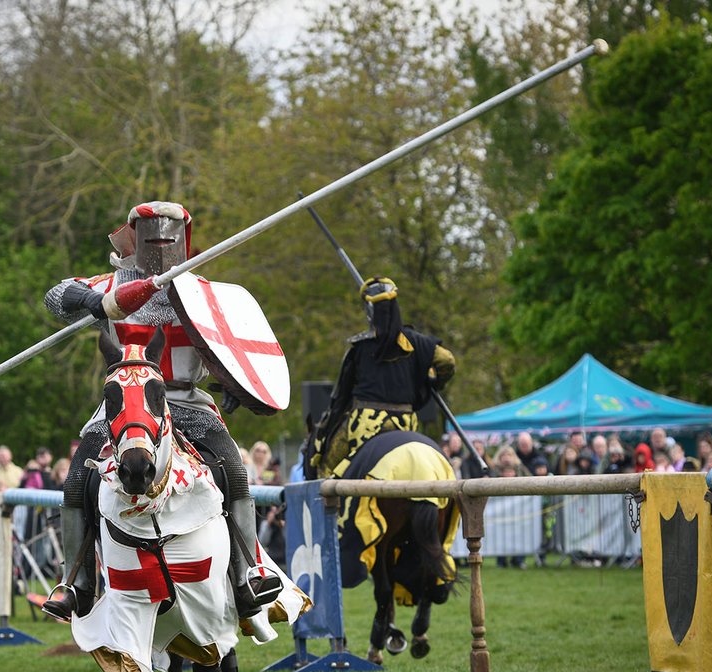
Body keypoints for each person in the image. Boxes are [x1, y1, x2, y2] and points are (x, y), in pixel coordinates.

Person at [40, 200, 281, 622]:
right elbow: (56, 296)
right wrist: (96, 302)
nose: (159, 245)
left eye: (167, 236)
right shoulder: (109, 285)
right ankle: (76, 582)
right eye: (150, 235)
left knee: (234, 471)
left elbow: (231, 346)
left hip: (188, 402)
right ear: (134, 236)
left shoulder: (202, 293)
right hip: (125, 402)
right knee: (78, 477)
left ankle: (247, 576)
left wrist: (235, 383)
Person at [307, 276, 455, 478]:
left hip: (365, 422)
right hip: (405, 420)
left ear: (369, 311)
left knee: (327, 465)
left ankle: (329, 501)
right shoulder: (419, 342)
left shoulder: (360, 347)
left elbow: (342, 395)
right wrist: (433, 383)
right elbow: (447, 360)